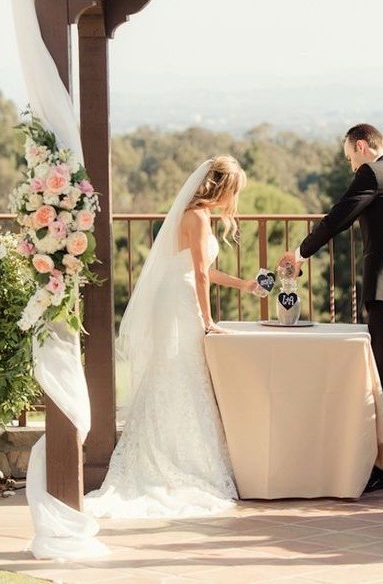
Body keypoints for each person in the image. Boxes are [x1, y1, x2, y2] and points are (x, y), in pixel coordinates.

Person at [85, 156, 258, 518]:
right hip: (180, 301)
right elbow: (198, 273)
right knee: (176, 373)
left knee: (180, 375)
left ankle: (178, 455)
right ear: (222, 187)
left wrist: (243, 284)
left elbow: (204, 270)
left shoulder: (200, 215)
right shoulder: (196, 217)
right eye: (235, 191)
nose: (235, 199)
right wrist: (208, 319)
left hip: (179, 293)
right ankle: (170, 461)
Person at [279, 124, 383, 491]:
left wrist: (300, 254)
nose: (350, 166)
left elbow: (338, 217)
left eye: (349, 157)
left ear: (361, 146)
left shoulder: (372, 173)